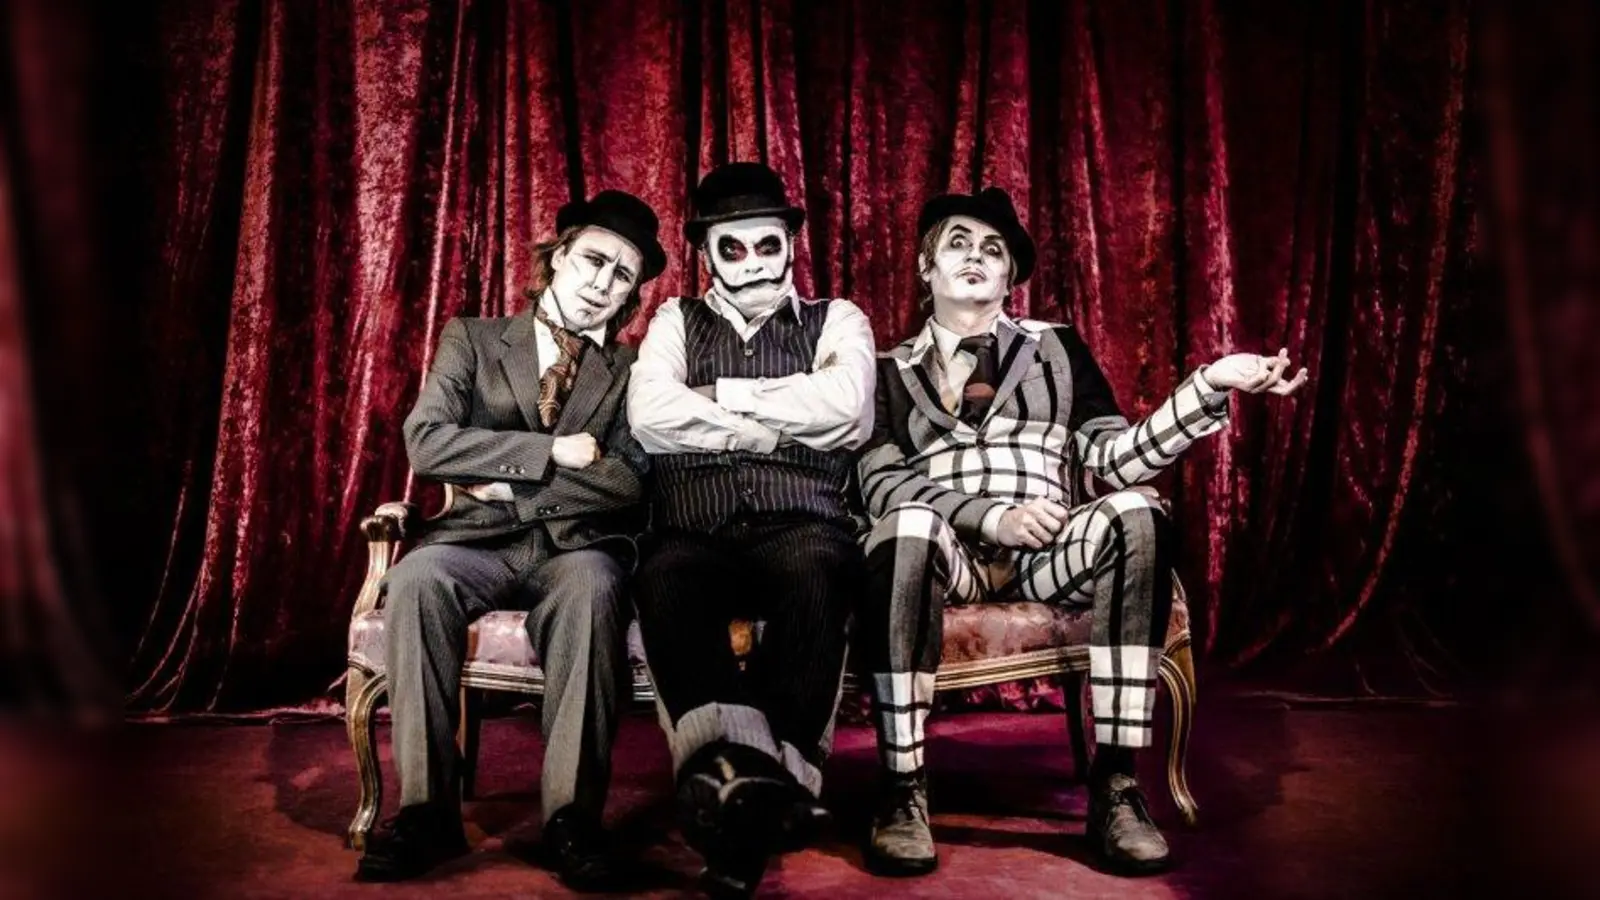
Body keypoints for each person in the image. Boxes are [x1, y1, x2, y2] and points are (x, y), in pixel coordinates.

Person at [856, 186, 1308, 877]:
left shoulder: (1057, 349)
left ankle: (1116, 784)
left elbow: (1115, 460)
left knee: (1136, 511)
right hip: (949, 551)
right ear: (926, 266)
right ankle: (902, 787)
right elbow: (882, 483)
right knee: (903, 524)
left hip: (1048, 552)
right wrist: (990, 517)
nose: (976, 256)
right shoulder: (885, 369)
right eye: (958, 243)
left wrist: (1211, 384)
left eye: (993, 249)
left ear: (1009, 276)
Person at [354, 190, 668, 891]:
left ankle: (572, 820)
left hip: (575, 550)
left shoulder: (632, 370)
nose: (603, 283)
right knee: (416, 580)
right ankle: (427, 813)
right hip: (474, 542)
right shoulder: (472, 338)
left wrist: (508, 487)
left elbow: (628, 480)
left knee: (595, 587)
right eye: (593, 260)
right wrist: (548, 453)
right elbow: (428, 441)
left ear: (630, 294)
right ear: (558, 257)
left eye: (622, 274)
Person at [627, 161, 877, 896]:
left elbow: (847, 409)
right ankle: (765, 794)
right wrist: (774, 424)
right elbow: (650, 416)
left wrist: (717, 397)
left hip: (803, 522)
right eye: (732, 249)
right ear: (707, 253)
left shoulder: (839, 319)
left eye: (767, 245)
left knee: (817, 572)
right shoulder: (675, 321)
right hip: (694, 530)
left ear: (790, 244)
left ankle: (744, 793)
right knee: (663, 577)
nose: (754, 263)